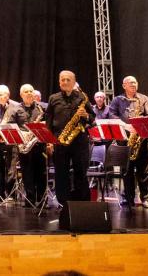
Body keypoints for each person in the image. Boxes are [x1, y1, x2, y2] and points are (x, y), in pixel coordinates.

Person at [45, 70, 95, 206]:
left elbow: (93, 118)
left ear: (73, 82)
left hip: (79, 141)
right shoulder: (53, 98)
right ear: (59, 81)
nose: (65, 82)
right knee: (61, 173)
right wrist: (49, 142)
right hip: (60, 141)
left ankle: (82, 203)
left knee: (80, 172)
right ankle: (64, 203)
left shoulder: (82, 97)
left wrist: (85, 115)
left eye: (68, 80)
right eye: (63, 79)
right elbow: (48, 121)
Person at [108, 76, 148, 208]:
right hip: (125, 139)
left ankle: (146, 199)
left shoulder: (144, 99)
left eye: (135, 82)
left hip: (143, 139)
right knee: (126, 171)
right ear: (124, 86)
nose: (134, 85)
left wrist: (138, 125)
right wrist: (126, 125)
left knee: (144, 170)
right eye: (131, 83)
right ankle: (128, 198)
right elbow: (112, 115)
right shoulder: (117, 100)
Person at [15, 84, 47, 205]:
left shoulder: (41, 108)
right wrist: (23, 134)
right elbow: (11, 124)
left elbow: (49, 123)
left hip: (39, 145)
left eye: (31, 91)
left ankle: (42, 199)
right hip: (24, 145)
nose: (29, 93)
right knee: (27, 174)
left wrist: (43, 124)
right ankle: (30, 199)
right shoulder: (16, 108)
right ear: (21, 94)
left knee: (41, 173)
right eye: (26, 91)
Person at [0, 85, 20, 202]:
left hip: (11, 142)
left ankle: (11, 194)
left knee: (11, 169)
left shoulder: (16, 106)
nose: (0, 97)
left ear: (8, 95)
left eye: (3, 94)